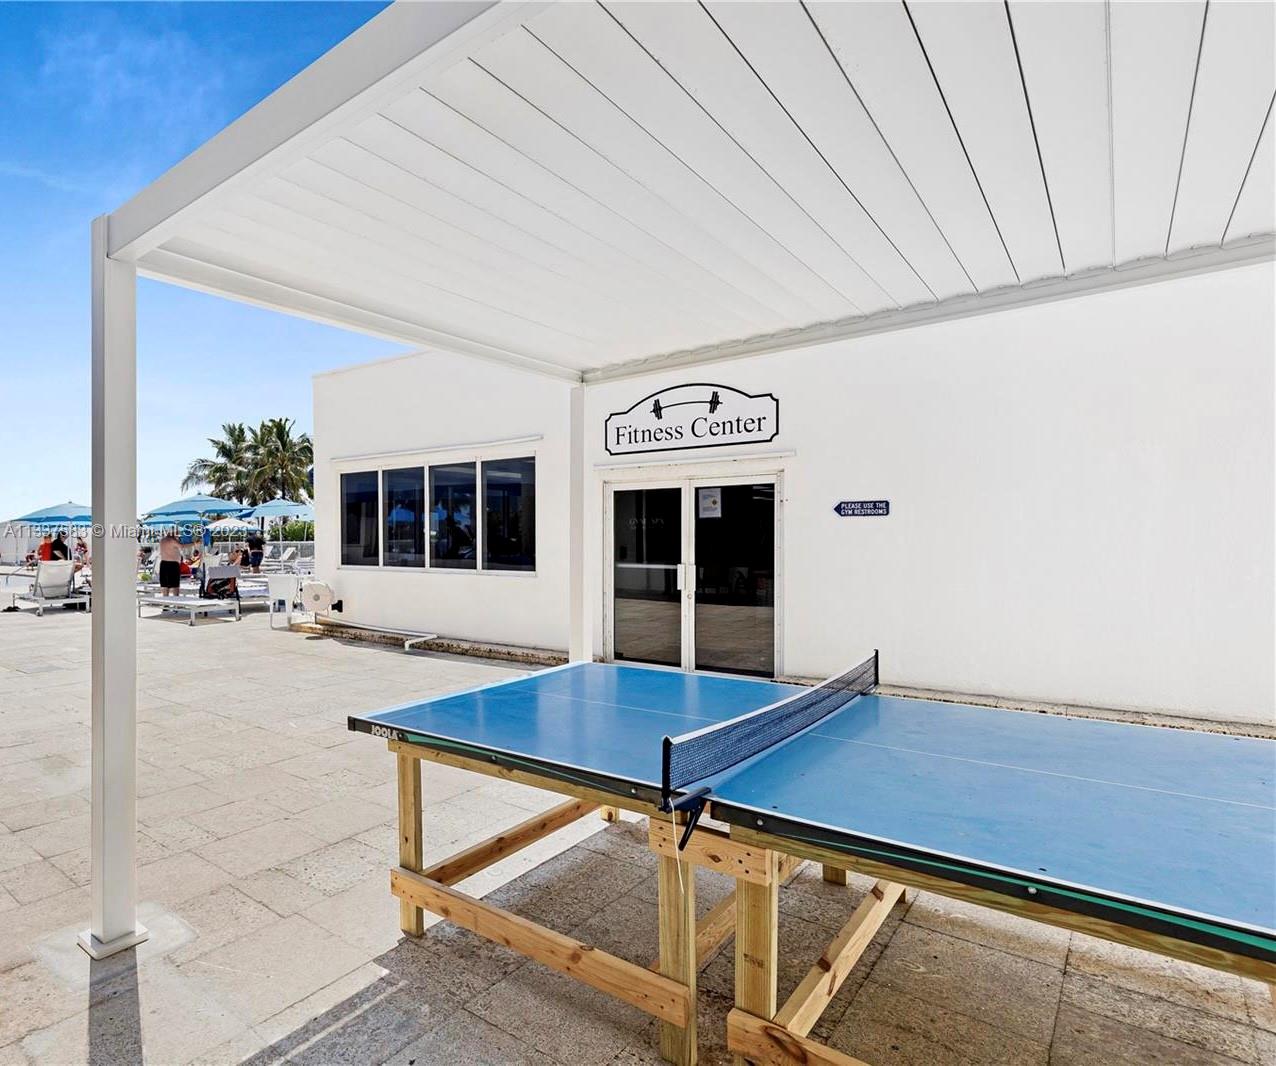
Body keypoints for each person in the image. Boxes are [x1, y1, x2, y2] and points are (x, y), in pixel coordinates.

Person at [157, 532, 182, 597]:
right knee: (175, 584)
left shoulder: (163, 540)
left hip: (164, 563)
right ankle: (176, 603)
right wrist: (194, 544)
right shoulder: (172, 540)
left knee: (165, 584)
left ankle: (165, 603)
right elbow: (182, 546)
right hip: (173, 564)